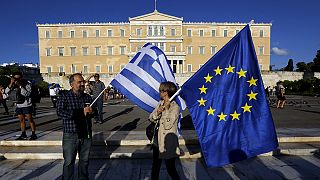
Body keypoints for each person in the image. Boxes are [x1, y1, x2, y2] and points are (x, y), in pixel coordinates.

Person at [57, 73, 94, 180]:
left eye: (83, 81)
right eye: (79, 82)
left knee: (85, 161)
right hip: (71, 134)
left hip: (85, 132)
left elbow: (93, 113)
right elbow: (60, 112)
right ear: (72, 84)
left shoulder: (87, 97)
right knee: (69, 162)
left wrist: (92, 112)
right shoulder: (64, 96)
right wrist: (80, 112)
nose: (82, 84)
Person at [149, 81, 181, 180]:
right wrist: (158, 112)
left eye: (161, 90)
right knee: (155, 167)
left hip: (168, 142)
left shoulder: (175, 107)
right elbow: (151, 118)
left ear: (167, 92)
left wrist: (166, 110)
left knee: (170, 168)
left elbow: (168, 125)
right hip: (157, 140)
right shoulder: (160, 103)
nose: (160, 93)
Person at [5, 72, 37, 140]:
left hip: (26, 104)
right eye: (15, 78)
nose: (17, 79)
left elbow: (27, 94)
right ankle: (23, 134)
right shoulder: (13, 84)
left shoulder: (27, 83)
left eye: (18, 78)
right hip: (18, 105)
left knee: (30, 119)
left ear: (21, 77)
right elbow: (6, 92)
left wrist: (20, 86)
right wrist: (11, 83)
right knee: (21, 120)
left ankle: (33, 134)